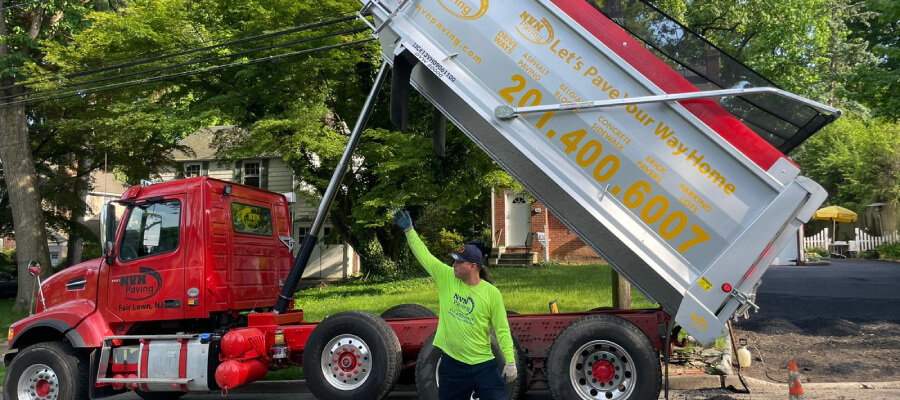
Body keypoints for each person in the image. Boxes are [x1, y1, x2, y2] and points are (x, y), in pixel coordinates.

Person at [393, 210, 517, 400]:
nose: (454, 266)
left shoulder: (491, 293)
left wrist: (510, 361)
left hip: (484, 365)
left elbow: (502, 330)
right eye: (454, 262)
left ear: (473, 266)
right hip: (453, 365)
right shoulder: (447, 278)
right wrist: (409, 231)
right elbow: (425, 256)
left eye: (459, 263)